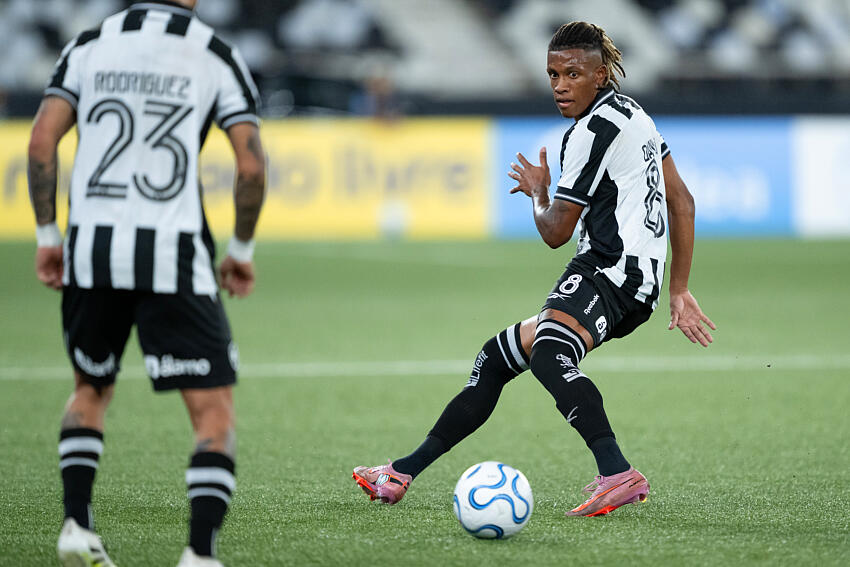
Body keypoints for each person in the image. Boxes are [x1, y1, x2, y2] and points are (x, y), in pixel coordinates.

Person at [352, 21, 715, 517]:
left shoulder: (592, 131)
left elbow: (554, 232)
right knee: (498, 356)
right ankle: (401, 473)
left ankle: (617, 472)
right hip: (632, 277)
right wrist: (678, 288)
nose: (561, 85)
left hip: (610, 270)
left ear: (600, 74)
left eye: (572, 73)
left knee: (548, 352)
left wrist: (539, 193)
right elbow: (683, 201)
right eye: (552, 74)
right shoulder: (637, 116)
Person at [27, 1, 265, 565]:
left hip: (92, 251)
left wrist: (47, 236)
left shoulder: (88, 44)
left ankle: (76, 526)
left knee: (91, 387)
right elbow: (251, 167)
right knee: (213, 413)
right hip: (171, 254)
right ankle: (200, 554)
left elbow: (41, 143)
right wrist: (241, 250)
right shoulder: (215, 53)